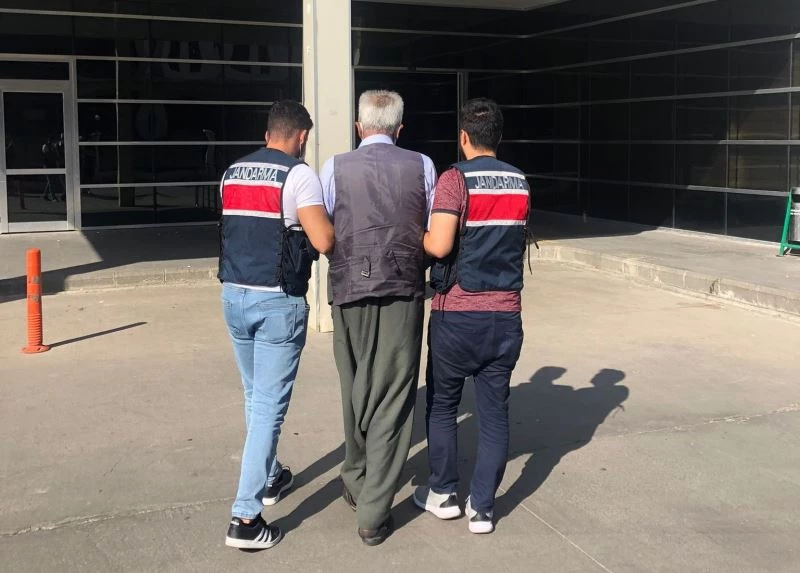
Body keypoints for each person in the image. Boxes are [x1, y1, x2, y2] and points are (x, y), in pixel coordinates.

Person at [320, 90, 437, 546]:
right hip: (402, 288)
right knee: (393, 393)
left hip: (349, 289)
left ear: (358, 127)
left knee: (354, 386)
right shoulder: (422, 165)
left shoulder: (333, 167)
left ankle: (356, 477)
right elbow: (430, 227)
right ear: (399, 129)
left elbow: (326, 228)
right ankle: (373, 511)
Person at [219, 100, 334, 550]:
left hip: (234, 296)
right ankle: (245, 518)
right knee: (268, 406)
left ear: (268, 133)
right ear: (301, 137)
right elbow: (323, 239)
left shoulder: (232, 172)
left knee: (254, 396)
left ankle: (270, 476)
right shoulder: (298, 175)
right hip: (276, 304)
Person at [414, 98, 530, 535]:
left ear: (463, 137)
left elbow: (440, 245)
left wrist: (417, 234)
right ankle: (482, 508)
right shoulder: (519, 181)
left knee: (443, 405)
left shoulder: (454, 179)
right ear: (499, 137)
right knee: (494, 412)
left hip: (458, 315)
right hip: (506, 316)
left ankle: (443, 493)